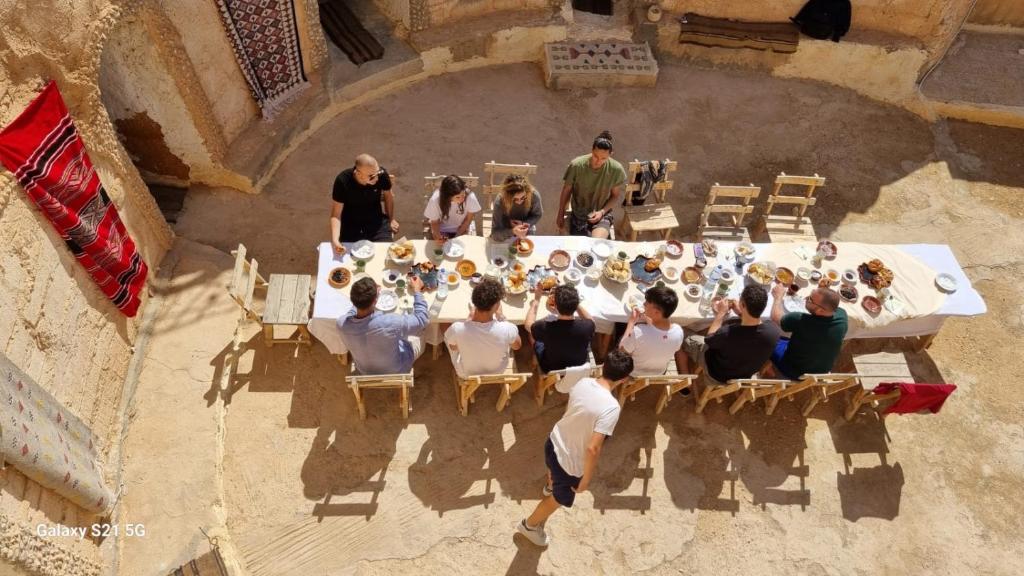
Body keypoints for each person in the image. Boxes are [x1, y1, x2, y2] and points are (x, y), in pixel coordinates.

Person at [516, 350, 634, 547]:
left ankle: (550, 486)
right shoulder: (611, 407)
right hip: (570, 465)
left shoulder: (583, 382)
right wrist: (585, 481)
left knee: (552, 471)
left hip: (554, 440)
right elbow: (593, 449)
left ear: (604, 366)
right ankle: (529, 526)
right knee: (558, 499)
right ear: (623, 379)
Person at [681, 284, 782, 384]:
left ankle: (685, 379)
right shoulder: (774, 331)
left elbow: (709, 339)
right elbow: (752, 327)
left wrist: (721, 312)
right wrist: (741, 313)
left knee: (680, 330)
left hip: (717, 373)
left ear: (742, 304)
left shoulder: (728, 333)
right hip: (741, 376)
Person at [338, 275, 428, 374]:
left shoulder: (341, 324)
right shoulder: (391, 322)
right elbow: (422, 319)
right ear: (375, 301)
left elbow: (351, 313)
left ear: (353, 300)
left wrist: (363, 296)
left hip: (365, 370)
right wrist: (417, 291)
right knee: (422, 333)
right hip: (396, 370)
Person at [768, 284, 848, 380]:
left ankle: (767, 369)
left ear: (820, 310)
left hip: (794, 370)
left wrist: (778, 297)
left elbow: (775, 317)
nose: (806, 299)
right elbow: (831, 304)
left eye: (810, 299)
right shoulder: (842, 316)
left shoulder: (801, 320)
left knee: (767, 337)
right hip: (820, 373)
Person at [444, 279, 522, 377]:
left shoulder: (457, 329)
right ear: (497, 305)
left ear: (474, 301)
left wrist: (468, 322)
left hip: (467, 374)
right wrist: (501, 317)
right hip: (497, 372)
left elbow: (453, 347)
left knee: (447, 331)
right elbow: (517, 346)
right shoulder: (507, 329)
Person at [556, 130, 627, 238]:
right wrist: (560, 213)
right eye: (595, 156)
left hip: (601, 214)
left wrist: (602, 212)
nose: (598, 161)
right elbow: (566, 190)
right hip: (579, 214)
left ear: (611, 155)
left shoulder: (616, 169)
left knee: (596, 243)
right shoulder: (577, 165)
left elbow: (615, 196)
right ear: (591, 150)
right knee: (580, 247)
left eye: (603, 158)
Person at [330, 154, 399, 253]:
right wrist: (335, 240)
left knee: (386, 252)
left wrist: (391, 219)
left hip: (376, 221)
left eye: (377, 173)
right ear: (358, 174)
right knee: (349, 258)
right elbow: (336, 215)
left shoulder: (381, 175)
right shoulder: (342, 181)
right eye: (371, 176)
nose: (376, 179)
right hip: (350, 223)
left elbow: (388, 197)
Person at [525, 284, 595, 373]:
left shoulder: (545, 327)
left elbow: (528, 325)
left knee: (531, 333)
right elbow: (591, 320)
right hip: (579, 366)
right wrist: (574, 302)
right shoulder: (587, 327)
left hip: (552, 367)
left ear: (555, 305)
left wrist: (536, 300)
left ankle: (534, 361)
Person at [619, 286, 685, 375]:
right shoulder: (678, 331)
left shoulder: (638, 332)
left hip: (635, 373)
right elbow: (660, 336)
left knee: (619, 330)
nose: (644, 304)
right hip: (659, 373)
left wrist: (631, 323)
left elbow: (622, 351)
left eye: (647, 302)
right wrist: (647, 318)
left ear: (656, 312)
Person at [424, 174, 481, 241]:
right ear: (448, 197)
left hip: (461, 229)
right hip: (441, 229)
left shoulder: (470, 197)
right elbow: (434, 223)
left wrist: (457, 236)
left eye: (463, 194)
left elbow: (468, 220)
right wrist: (439, 237)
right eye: (458, 197)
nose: (462, 199)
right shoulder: (436, 199)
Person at [489, 174, 543, 242]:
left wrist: (524, 224)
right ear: (507, 196)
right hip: (505, 230)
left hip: (527, 227)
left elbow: (537, 214)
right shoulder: (500, 201)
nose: (519, 202)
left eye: (523, 198)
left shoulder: (533, 195)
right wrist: (513, 231)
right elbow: (495, 234)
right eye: (515, 200)